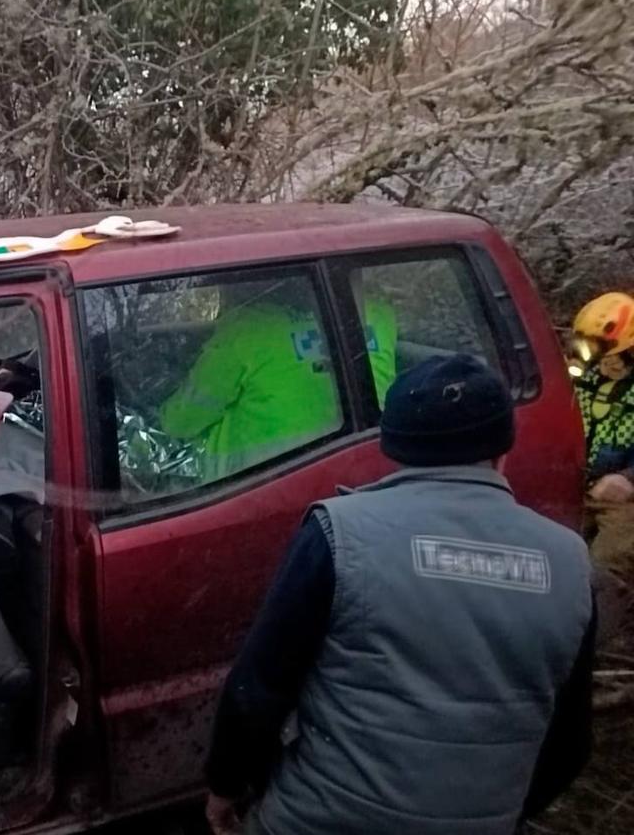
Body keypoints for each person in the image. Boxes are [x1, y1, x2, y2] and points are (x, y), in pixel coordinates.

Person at [205, 355, 595, 835]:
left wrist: (226, 786)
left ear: (396, 447)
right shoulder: (570, 561)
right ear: (502, 452)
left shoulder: (339, 533)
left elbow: (258, 691)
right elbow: (569, 743)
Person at [160, 281, 396, 482]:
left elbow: (179, 423)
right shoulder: (376, 315)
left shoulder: (246, 331)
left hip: (256, 485)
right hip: (371, 469)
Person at [570, 292, 634, 502]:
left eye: (613, 361)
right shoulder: (583, 380)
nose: (605, 368)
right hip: (575, 487)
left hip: (619, 496)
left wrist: (627, 478)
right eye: (601, 361)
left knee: (616, 533)